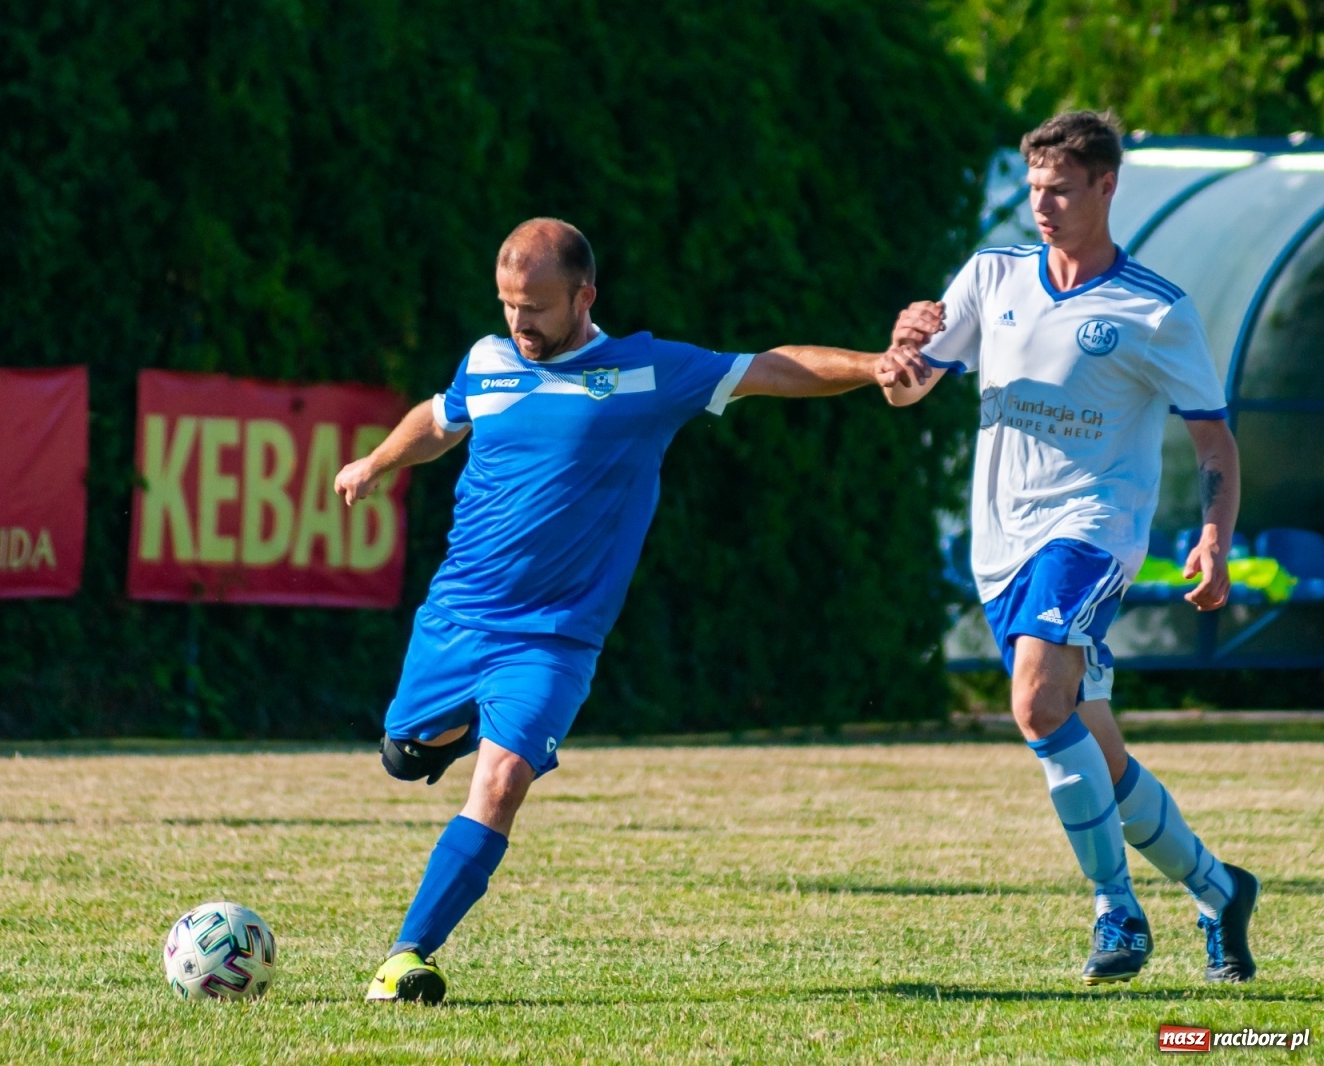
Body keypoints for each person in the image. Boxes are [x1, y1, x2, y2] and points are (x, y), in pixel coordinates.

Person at [334, 217, 921, 1003]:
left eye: (536, 307)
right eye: (509, 305)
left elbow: (769, 368)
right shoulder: (488, 360)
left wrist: (873, 366)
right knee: (404, 756)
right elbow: (440, 421)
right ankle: (461, 727)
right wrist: (375, 461)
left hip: (555, 639)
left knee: (501, 780)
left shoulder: (646, 371)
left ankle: (409, 956)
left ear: (585, 296)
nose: (520, 323)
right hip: (458, 616)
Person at [878, 110, 1258, 985]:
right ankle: (1218, 887)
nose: (1042, 207)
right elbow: (910, 389)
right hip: (1001, 548)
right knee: (1094, 747)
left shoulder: (1155, 310)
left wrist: (1213, 537)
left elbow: (1213, 443)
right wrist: (900, 356)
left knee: (1037, 703)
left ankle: (1116, 913)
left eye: (1061, 191)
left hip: (1090, 532)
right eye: (1034, 191)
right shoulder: (991, 275)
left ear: (1106, 187)